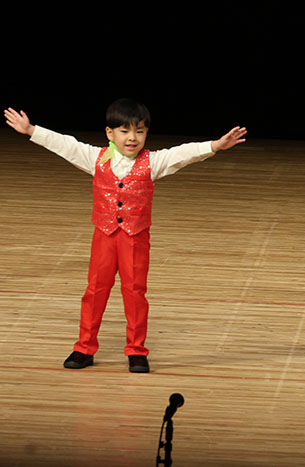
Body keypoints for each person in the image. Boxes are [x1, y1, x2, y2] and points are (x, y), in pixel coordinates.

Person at [4, 99, 247, 373]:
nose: (132, 138)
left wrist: (215, 146)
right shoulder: (96, 158)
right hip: (104, 236)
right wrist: (31, 130)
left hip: (135, 238)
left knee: (135, 294)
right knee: (95, 291)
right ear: (110, 133)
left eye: (139, 131)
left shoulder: (152, 162)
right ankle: (84, 348)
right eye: (125, 131)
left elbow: (182, 153)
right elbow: (66, 145)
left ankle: (136, 350)